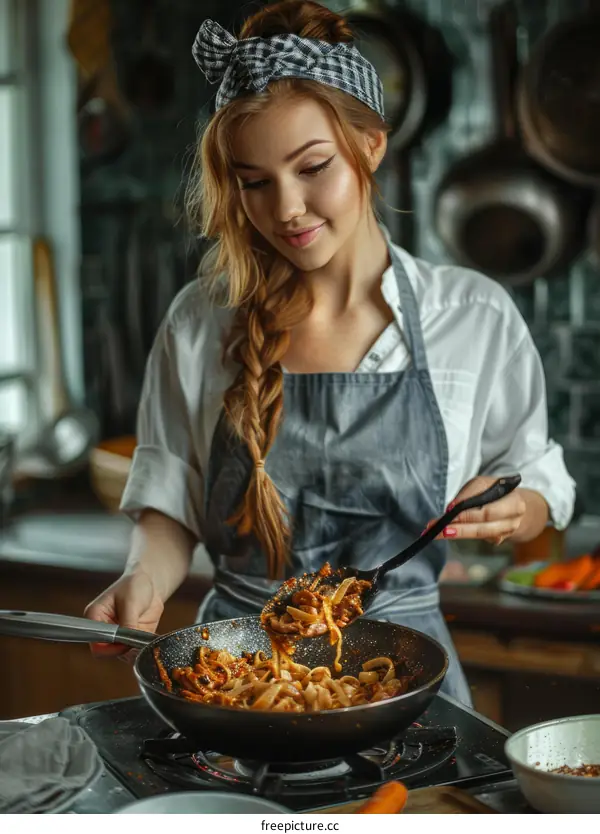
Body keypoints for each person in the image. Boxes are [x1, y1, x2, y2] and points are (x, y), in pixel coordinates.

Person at [85, 0, 575, 704]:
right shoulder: (201, 321)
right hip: (235, 683)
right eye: (254, 182)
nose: (286, 208)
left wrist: (519, 509)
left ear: (370, 144)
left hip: (410, 682)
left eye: (312, 167)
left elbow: (539, 480)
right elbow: (169, 507)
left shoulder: (472, 317)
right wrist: (143, 580)